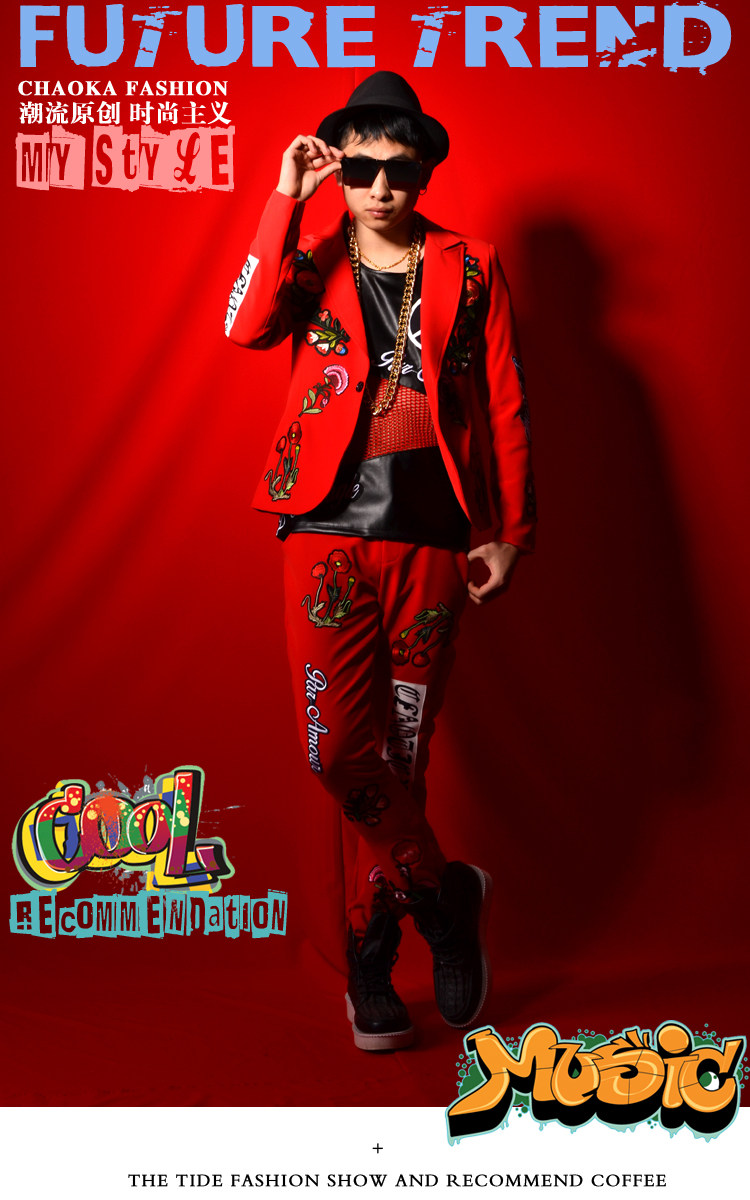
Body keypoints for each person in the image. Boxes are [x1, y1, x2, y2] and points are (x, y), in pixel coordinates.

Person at [225, 71, 536, 1051]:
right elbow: (244, 323)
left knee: (402, 751)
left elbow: (504, 400)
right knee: (336, 751)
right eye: (359, 169)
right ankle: (443, 897)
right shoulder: (310, 259)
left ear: (424, 170)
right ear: (341, 173)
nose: (379, 187)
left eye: (398, 169)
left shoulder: (471, 266)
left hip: (433, 534)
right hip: (321, 529)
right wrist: (287, 195)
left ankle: (371, 953)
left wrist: (508, 530)